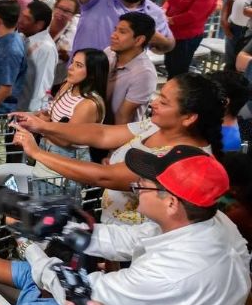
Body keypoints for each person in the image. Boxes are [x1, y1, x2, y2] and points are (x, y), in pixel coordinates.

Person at [40, 146, 250, 305]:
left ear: (170, 203)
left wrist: (30, 250)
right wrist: (59, 226)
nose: (137, 187)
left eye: (145, 183)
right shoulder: (214, 221)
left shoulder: (170, 273)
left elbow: (84, 292)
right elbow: (130, 238)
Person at [12, 72, 224, 226]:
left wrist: (37, 153)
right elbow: (102, 134)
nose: (154, 103)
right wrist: (43, 126)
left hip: (136, 242)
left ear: (189, 118)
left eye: (164, 102)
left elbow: (105, 177)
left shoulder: (183, 159)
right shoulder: (156, 124)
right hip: (114, 228)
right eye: (159, 95)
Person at [162, 0, 218, 77]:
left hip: (186, 37)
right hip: (172, 32)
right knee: (169, 65)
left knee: (178, 71)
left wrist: (168, 20)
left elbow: (192, 16)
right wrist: (163, 10)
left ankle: (176, 93)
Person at [18, 1, 56, 112]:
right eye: (22, 15)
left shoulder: (46, 48)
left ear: (39, 24)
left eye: (27, 18)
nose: (21, 20)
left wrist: (30, 114)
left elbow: (42, 86)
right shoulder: (21, 37)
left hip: (27, 110)